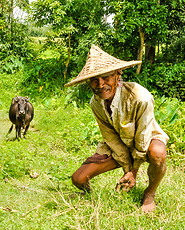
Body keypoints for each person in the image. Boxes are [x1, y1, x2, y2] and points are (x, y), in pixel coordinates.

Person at [65, 45, 169, 213]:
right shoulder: (96, 103)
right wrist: (127, 168)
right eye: (94, 79)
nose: (100, 84)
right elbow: (110, 137)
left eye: (106, 77)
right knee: (78, 179)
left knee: (158, 153)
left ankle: (149, 194)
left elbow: (143, 137)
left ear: (118, 74)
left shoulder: (140, 97)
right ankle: (89, 195)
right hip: (120, 144)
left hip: (146, 140)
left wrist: (133, 171)